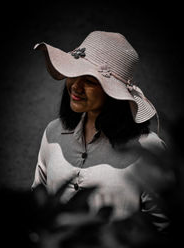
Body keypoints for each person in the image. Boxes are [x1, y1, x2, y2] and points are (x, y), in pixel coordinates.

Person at [32, 31, 169, 231]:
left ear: (115, 94)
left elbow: (164, 227)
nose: (76, 86)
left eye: (90, 80)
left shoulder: (147, 149)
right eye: (75, 74)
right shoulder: (53, 132)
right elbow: (38, 204)